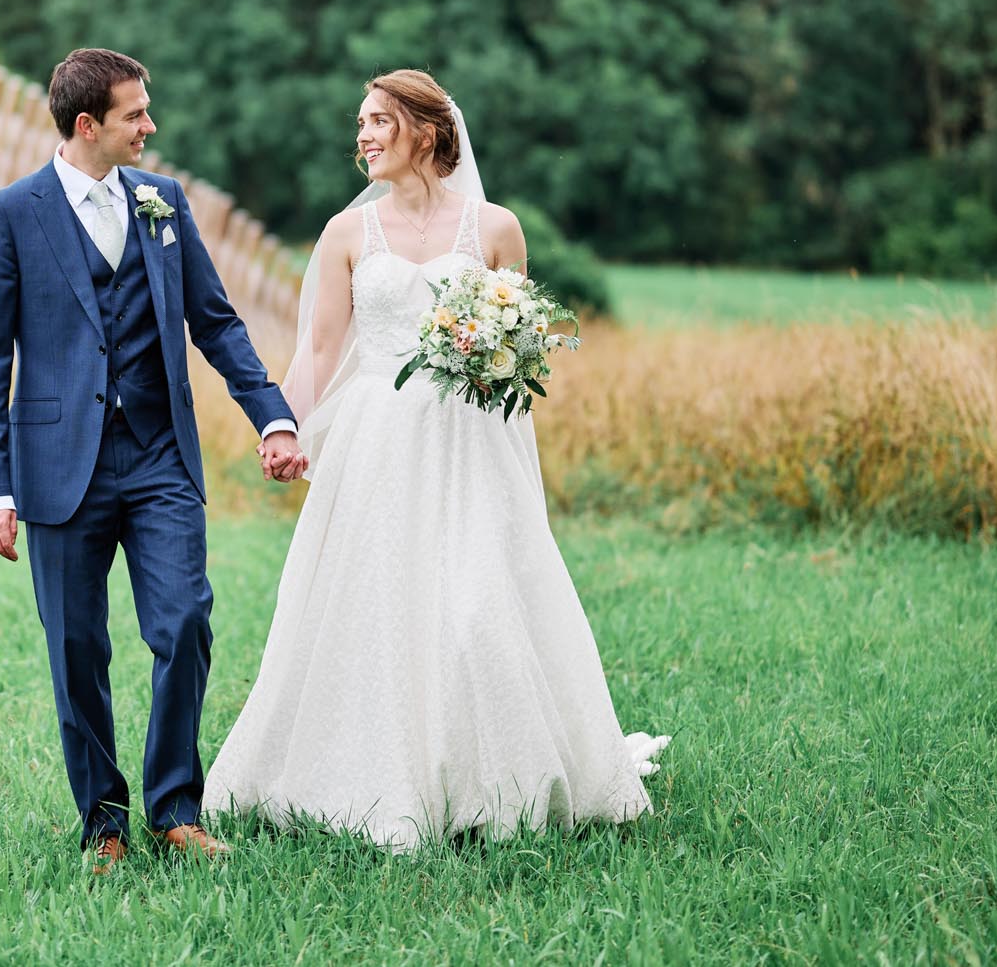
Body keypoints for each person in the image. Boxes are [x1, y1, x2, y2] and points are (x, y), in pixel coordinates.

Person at [202, 68, 669, 851]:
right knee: (376, 606)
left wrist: (497, 355)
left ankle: (498, 780)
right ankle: (367, 776)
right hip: (378, 443)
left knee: (479, 604)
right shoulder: (347, 235)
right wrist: (284, 426)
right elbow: (321, 349)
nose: (364, 135)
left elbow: (522, 345)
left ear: (426, 128)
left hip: (470, 443)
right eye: (360, 124)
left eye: (379, 120)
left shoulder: (494, 228)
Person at [0, 47, 308, 876]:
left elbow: (215, 322)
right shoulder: (11, 213)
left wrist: (274, 415)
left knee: (184, 620)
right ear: (89, 125)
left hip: (159, 458)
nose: (150, 127)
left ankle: (176, 807)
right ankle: (103, 821)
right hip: (57, 467)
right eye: (135, 115)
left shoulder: (164, 202)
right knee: (76, 649)